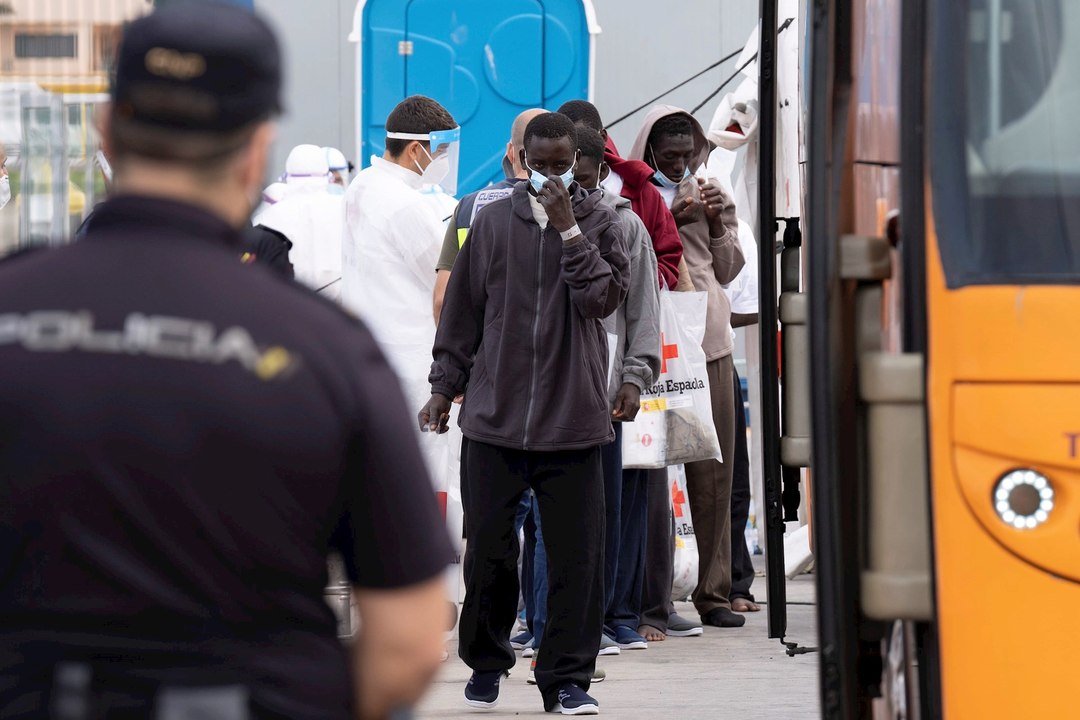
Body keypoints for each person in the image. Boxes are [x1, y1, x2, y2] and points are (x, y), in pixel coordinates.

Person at [0, 4, 452, 719]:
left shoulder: (13, 308)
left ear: (107, 131)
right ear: (256, 150)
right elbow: (409, 642)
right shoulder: (325, 349)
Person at [419, 112, 629, 715]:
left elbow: (602, 299)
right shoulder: (489, 222)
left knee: (575, 559)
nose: (550, 176)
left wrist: (569, 231)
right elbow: (462, 311)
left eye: (562, 165)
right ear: (520, 160)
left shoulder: (603, 222)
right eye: (539, 165)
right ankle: (486, 662)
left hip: (573, 419)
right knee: (489, 550)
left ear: (578, 163)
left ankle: (566, 679)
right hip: (495, 417)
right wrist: (444, 387)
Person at [629, 106, 746, 629]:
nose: (679, 165)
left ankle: (714, 592)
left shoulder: (710, 190)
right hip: (652, 344)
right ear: (649, 151)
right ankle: (652, 595)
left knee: (713, 470)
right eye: (669, 156)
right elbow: (632, 256)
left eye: (687, 155)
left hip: (709, 342)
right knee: (652, 470)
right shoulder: (631, 194)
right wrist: (669, 220)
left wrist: (717, 222)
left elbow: (729, 269)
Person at [573, 125, 662, 651]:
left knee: (605, 510)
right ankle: (544, 618)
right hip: (543, 398)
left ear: (601, 172)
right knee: (544, 522)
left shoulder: (623, 226)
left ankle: (604, 616)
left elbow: (643, 310)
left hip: (602, 394)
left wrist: (634, 376)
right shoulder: (522, 221)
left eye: (580, 174)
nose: (568, 185)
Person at [342, 95, 458, 482]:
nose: (445, 161)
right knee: (424, 479)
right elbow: (449, 283)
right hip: (413, 369)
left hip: (367, 355)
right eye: (441, 151)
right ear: (415, 150)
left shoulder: (363, 184)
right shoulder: (406, 205)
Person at [556, 100, 684, 290]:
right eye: (569, 143)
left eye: (585, 137)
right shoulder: (548, 197)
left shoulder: (642, 192)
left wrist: (635, 283)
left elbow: (668, 258)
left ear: (603, 137)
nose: (577, 152)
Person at [432, 107, 544, 324]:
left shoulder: (468, 206)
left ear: (511, 152)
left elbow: (442, 300)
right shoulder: (571, 208)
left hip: (484, 342)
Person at [723, 219, 762, 613]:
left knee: (731, 477)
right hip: (653, 355)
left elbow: (750, 308)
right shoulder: (628, 203)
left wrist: (706, 311)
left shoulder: (733, 224)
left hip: (714, 353)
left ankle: (735, 582)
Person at [257, 144, 343, 298]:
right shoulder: (344, 209)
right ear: (327, 175)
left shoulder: (269, 216)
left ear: (287, 175)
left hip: (289, 301)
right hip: (342, 305)